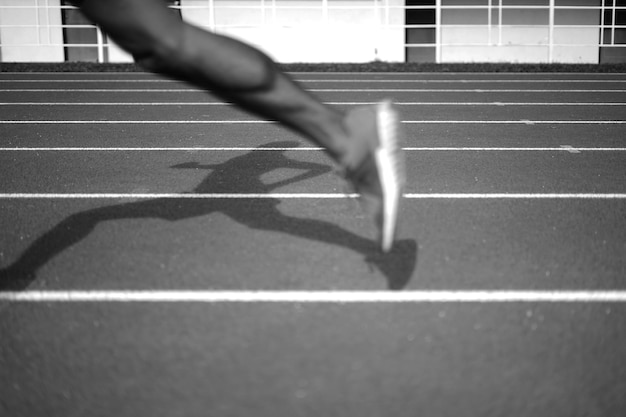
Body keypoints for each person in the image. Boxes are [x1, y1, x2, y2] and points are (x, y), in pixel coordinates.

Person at [69, 0, 406, 252]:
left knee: (161, 40)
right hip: (211, 187)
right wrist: (202, 165)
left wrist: (282, 179)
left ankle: (345, 134)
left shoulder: (267, 160)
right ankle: (344, 134)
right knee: (154, 50)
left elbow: (301, 168)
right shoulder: (249, 162)